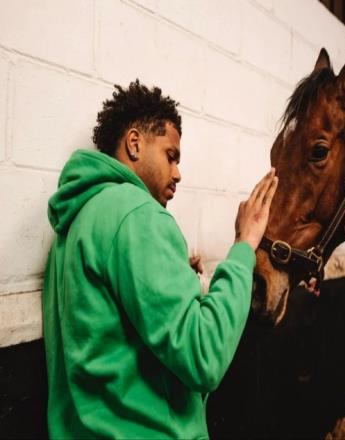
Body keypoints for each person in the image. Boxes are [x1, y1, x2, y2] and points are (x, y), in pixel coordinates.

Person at [42, 80, 278, 439]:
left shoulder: (74, 223)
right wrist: (244, 246)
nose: (178, 173)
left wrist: (181, 283)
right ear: (135, 143)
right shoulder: (138, 215)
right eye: (171, 156)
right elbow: (204, 356)